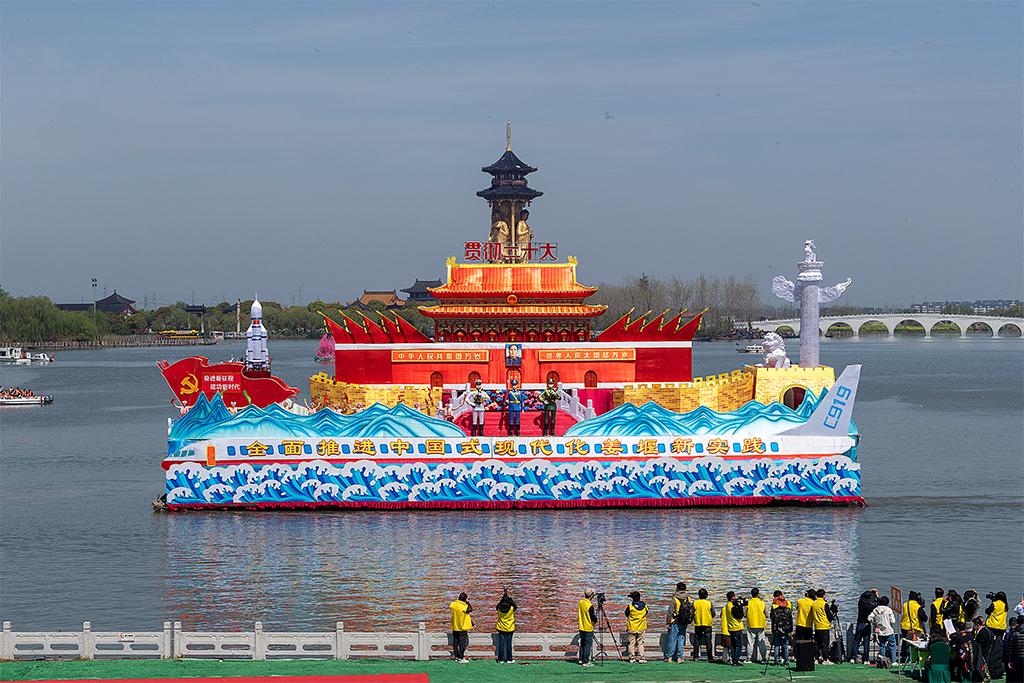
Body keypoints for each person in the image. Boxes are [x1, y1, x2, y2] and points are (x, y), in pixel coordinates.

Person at [663, 582, 691, 663]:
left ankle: (669, 657)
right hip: (684, 621)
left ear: (677, 588)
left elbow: (670, 612)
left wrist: (668, 622)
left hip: (675, 621)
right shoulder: (687, 598)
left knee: (672, 639)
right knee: (681, 639)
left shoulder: (675, 598)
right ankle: (679, 657)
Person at [871, 595, 899, 664]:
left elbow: (871, 619)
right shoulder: (889, 610)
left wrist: (875, 624)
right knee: (892, 645)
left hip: (879, 630)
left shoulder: (876, 609)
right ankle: (893, 661)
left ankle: (882, 661)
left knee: (882, 645)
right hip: (888, 631)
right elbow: (893, 621)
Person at [854, 588, 879, 663]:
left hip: (859, 623)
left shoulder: (861, 601)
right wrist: (876, 596)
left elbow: (864, 595)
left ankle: (853, 657)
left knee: (856, 641)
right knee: (866, 642)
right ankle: (865, 659)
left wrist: (870, 591)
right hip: (867, 624)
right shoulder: (871, 606)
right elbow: (878, 604)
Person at [902, 590, 928, 663]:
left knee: (905, 643)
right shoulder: (917, 607)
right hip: (913, 628)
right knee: (912, 644)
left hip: (904, 626)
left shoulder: (905, 604)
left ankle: (903, 658)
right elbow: (924, 618)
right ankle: (910, 659)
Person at [691, 588, 715, 662]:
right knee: (708, 641)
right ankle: (710, 657)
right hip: (707, 624)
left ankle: (695, 657)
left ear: (699, 595)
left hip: (698, 624)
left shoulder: (695, 603)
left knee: (697, 640)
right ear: (706, 595)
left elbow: (691, 613)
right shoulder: (709, 603)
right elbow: (713, 614)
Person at [624, 591, 649, 663]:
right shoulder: (645, 606)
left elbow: (626, 614)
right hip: (641, 627)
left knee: (631, 643)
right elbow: (646, 612)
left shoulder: (630, 606)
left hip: (632, 627)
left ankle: (632, 658)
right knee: (640, 643)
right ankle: (641, 658)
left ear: (632, 598)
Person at [770, 590, 794, 666]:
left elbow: (772, 619)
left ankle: (776, 661)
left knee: (777, 645)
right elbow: (791, 620)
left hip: (777, 629)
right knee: (785, 646)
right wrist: (791, 630)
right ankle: (786, 661)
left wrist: (773, 630)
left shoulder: (775, 609)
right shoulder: (788, 610)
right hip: (786, 629)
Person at [450, 592, 473, 662]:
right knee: (463, 643)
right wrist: (468, 603)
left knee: (455, 642)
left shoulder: (453, 604)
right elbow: (470, 609)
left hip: (455, 626)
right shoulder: (464, 607)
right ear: (465, 599)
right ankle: (461, 657)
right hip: (462, 627)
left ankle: (456, 656)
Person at [811, 589, 834, 664]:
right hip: (824, 626)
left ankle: (816, 658)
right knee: (825, 644)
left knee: (817, 643)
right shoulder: (824, 604)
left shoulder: (813, 603)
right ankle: (825, 659)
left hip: (817, 626)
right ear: (823, 595)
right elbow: (829, 615)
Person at [746, 588, 768, 664]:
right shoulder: (762, 603)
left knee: (750, 642)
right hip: (761, 625)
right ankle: (764, 658)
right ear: (758, 594)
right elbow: (766, 614)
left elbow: (745, 614)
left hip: (751, 624)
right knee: (762, 642)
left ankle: (748, 658)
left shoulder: (748, 602)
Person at [495, 589, 516, 663]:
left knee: (501, 644)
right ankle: (509, 659)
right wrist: (510, 600)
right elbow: (515, 605)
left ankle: (500, 659)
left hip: (501, 628)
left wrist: (502, 599)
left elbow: (497, 605)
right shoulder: (511, 609)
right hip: (510, 628)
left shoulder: (499, 609)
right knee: (509, 644)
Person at [724, 591, 745, 666]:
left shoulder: (727, 605)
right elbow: (739, 615)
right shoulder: (732, 606)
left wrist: (738, 603)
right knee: (739, 645)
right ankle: (736, 660)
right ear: (732, 597)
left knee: (733, 645)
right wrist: (740, 606)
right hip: (736, 627)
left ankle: (733, 659)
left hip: (731, 627)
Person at [577, 590, 597, 667]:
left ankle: (581, 659)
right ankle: (586, 661)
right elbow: (593, 618)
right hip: (588, 627)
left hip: (581, 626)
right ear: (591, 595)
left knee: (582, 644)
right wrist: (595, 620)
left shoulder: (580, 602)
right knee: (587, 645)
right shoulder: (590, 605)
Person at [1006, 617, 1024, 683]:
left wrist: (1009, 660)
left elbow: (1010, 648)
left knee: (1018, 677)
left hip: (1017, 659)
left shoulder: (1014, 633)